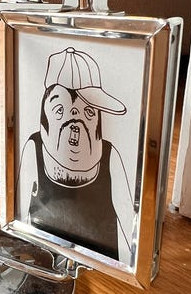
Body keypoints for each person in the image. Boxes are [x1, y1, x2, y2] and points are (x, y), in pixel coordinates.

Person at [16, 47, 136, 264]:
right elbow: (18, 213)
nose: (75, 122)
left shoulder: (110, 157)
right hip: (44, 257)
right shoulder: (34, 149)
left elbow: (130, 225)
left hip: (101, 265)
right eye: (60, 110)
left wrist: (132, 266)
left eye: (88, 111)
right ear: (45, 119)